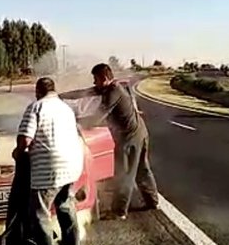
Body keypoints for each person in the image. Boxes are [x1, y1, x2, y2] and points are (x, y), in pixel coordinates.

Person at [63, 64, 159, 220]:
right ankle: (153, 202)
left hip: (130, 136)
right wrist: (59, 96)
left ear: (104, 78)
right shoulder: (107, 88)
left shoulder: (114, 92)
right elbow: (83, 93)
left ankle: (119, 211)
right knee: (142, 169)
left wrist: (74, 121)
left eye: (95, 79)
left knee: (125, 173)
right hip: (140, 132)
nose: (94, 82)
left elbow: (98, 117)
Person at [12, 77, 84, 245]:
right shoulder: (66, 108)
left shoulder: (36, 107)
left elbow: (25, 139)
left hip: (49, 169)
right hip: (71, 165)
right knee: (65, 205)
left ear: (38, 91)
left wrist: (18, 152)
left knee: (39, 213)